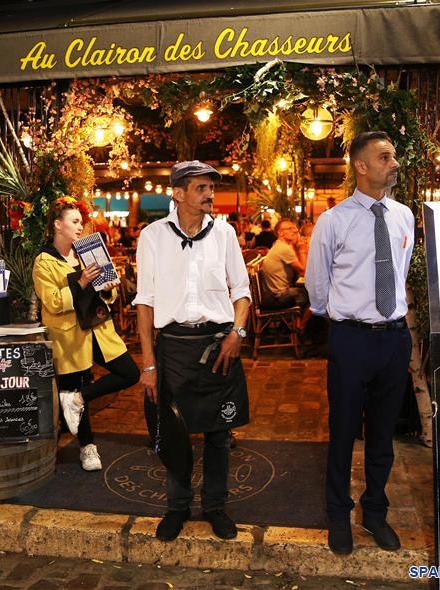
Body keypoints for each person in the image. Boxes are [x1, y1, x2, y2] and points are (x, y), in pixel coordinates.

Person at [306, 132, 414, 555]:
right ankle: (338, 512)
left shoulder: (403, 215)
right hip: (350, 339)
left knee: (383, 435)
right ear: (361, 166)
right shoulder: (333, 221)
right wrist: (340, 315)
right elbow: (317, 284)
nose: (394, 163)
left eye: (393, 156)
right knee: (343, 431)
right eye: (385, 157)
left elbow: (400, 271)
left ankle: (374, 511)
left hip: (394, 339)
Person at [134, 160, 251, 542]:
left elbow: (242, 292)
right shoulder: (152, 237)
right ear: (179, 193)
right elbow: (145, 303)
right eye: (201, 188)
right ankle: (177, 507)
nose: (209, 195)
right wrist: (148, 362)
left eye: (210, 188)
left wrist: (237, 332)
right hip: (174, 349)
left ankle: (215, 506)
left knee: (219, 434)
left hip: (219, 345)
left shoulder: (225, 234)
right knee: (174, 431)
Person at [33, 197, 140, 471]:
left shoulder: (85, 253)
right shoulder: (43, 262)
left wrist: (108, 286)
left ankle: (78, 398)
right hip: (69, 336)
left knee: (129, 373)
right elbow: (53, 301)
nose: (81, 227)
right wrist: (81, 281)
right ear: (58, 225)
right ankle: (87, 447)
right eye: (75, 221)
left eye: (81, 221)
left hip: (97, 329)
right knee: (75, 385)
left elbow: (108, 295)